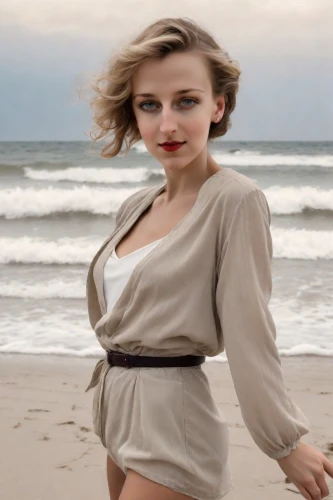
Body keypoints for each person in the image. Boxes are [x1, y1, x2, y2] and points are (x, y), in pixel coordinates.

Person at [84, 17, 333, 500]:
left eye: (187, 101)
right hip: (116, 417)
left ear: (218, 106)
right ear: (133, 113)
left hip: (173, 426)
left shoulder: (236, 200)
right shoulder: (136, 205)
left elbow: (249, 328)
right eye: (149, 105)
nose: (167, 124)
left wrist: (283, 442)